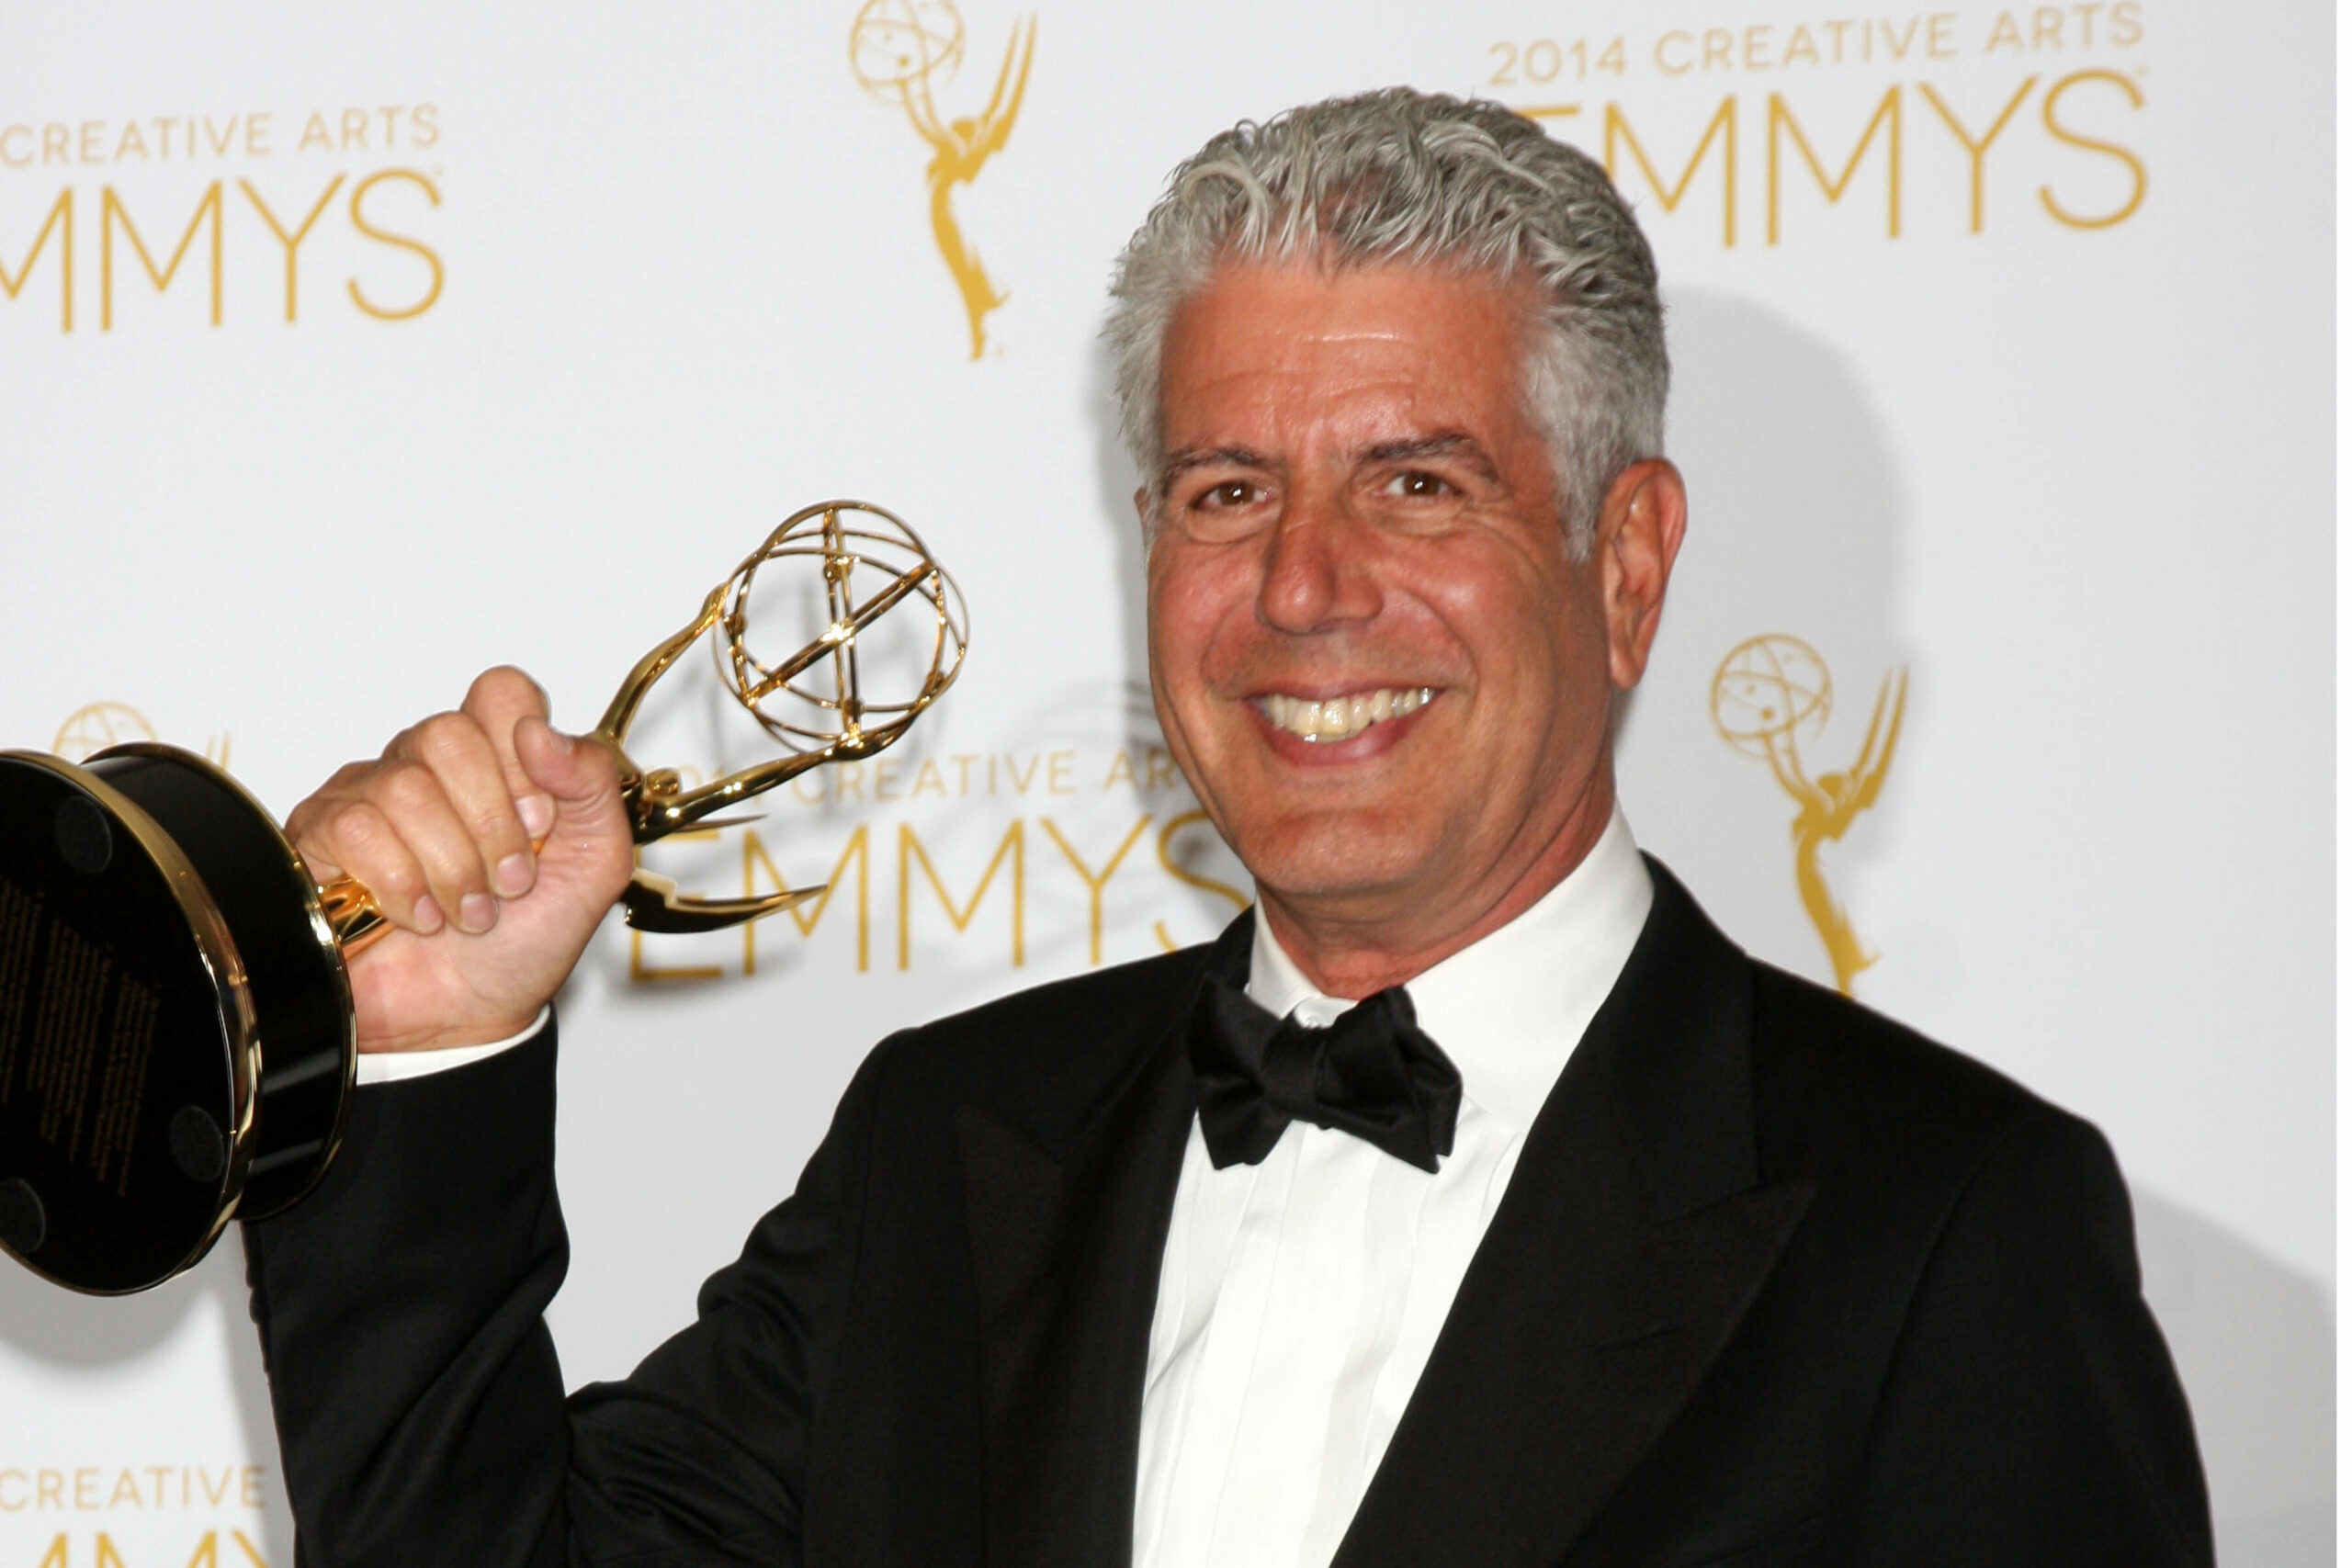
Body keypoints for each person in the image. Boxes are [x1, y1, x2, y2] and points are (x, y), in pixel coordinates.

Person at [243, 89, 2211, 1566]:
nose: (1302, 589)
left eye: (1419, 483)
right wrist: (427, 1048)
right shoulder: (947, 1139)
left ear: (1621, 564)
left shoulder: (1944, 1230)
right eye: (1223, 492)